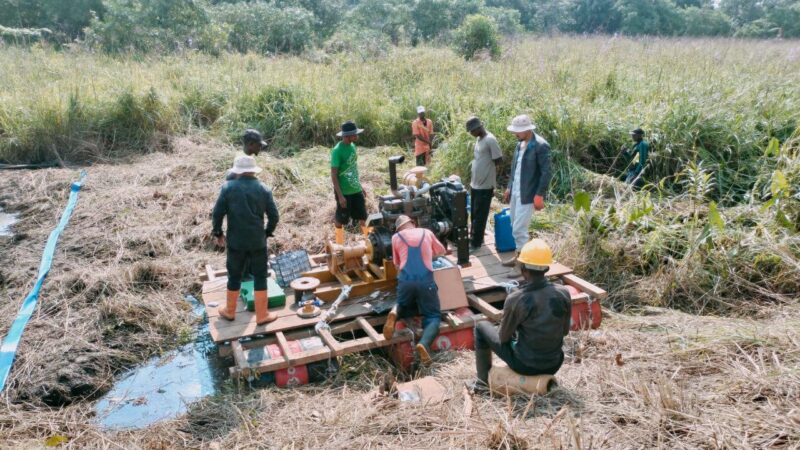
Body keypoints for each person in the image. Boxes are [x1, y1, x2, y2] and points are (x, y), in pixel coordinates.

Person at [472, 239, 571, 390]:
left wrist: (512, 322)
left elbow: (503, 338)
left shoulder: (517, 299)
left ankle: (482, 384)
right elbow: (564, 331)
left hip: (525, 365)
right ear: (546, 268)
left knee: (481, 327)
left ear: (523, 268)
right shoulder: (563, 293)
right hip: (554, 364)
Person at [212, 155, 280, 325]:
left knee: (234, 276)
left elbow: (217, 213)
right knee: (260, 276)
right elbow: (274, 216)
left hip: (236, 241)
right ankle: (262, 315)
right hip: (257, 240)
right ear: (253, 170)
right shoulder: (264, 189)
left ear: (237, 171)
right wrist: (267, 232)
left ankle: (229, 311)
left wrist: (218, 233)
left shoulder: (228, 188)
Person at [382, 215, 447, 365]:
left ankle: (395, 312)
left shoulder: (395, 237)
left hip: (406, 280)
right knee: (433, 316)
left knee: (404, 304)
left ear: (399, 228)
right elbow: (441, 251)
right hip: (425, 280)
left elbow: (397, 264)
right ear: (413, 223)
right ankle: (423, 344)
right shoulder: (426, 232)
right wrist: (429, 254)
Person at [502, 115, 552, 268]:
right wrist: (509, 187)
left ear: (527, 130)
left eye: (518, 131)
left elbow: (546, 173)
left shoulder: (540, 145)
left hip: (528, 193)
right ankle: (519, 256)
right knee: (513, 224)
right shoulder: (520, 143)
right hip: (516, 191)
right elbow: (515, 168)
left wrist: (539, 195)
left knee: (519, 229)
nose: (515, 134)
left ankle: (523, 266)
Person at [466, 116, 503, 252]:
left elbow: (498, 160)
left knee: (480, 215)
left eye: (471, 131)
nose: (471, 134)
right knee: (474, 214)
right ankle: (477, 237)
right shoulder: (479, 139)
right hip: (475, 183)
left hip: (485, 185)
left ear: (478, 128)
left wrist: (492, 181)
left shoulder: (490, 140)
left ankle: (475, 244)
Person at [331, 120, 369, 244]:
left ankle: (369, 242)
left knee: (363, 216)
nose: (357, 136)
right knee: (341, 219)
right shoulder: (337, 151)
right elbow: (334, 175)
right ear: (347, 136)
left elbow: (353, 169)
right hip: (345, 192)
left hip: (355, 189)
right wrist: (340, 196)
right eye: (355, 134)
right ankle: (339, 243)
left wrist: (360, 186)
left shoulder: (353, 147)